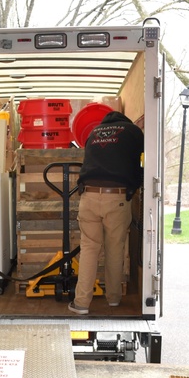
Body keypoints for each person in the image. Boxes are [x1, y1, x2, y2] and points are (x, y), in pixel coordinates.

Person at [68, 111, 144, 315]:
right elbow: (142, 160)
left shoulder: (94, 132)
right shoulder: (133, 131)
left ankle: (81, 303)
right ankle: (113, 299)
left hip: (89, 196)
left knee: (89, 249)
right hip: (116, 198)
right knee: (115, 248)